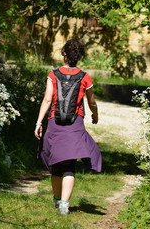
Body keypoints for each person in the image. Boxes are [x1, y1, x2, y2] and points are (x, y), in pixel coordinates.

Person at [35, 39, 102, 215]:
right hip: (75, 123)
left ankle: (57, 201)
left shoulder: (53, 74)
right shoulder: (85, 77)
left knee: (56, 163)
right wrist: (95, 114)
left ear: (64, 54)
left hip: (55, 123)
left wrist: (38, 122)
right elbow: (92, 101)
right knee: (69, 165)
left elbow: (48, 100)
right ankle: (64, 205)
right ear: (80, 57)